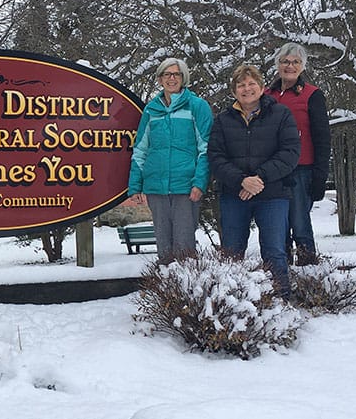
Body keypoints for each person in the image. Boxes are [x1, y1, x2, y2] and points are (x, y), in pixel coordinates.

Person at [208, 64, 300, 299]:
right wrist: (242, 181)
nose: (246, 89)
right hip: (234, 195)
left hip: (273, 194)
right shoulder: (223, 120)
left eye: (251, 84)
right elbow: (216, 158)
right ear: (234, 91)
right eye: (241, 85)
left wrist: (259, 178)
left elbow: (290, 153)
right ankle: (231, 306)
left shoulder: (281, 115)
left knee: (274, 251)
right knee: (232, 253)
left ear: (261, 88)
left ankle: (281, 303)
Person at [128, 58, 213, 264]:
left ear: (183, 78)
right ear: (160, 79)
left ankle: (187, 291)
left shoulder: (197, 106)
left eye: (176, 74)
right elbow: (140, 149)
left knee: (184, 248)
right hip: (156, 187)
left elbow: (206, 149)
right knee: (164, 248)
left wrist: (199, 182)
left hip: (185, 187)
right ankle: (167, 290)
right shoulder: (151, 109)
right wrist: (135, 185)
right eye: (167, 74)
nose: (172, 78)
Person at [265, 42, 331, 265]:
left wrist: (320, 175)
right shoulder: (267, 94)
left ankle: (308, 273)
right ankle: (281, 274)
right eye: (285, 61)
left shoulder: (312, 95)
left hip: (301, 170)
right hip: (273, 171)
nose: (289, 66)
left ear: (302, 66)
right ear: (278, 64)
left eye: (295, 62)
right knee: (278, 226)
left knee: (300, 223)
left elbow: (322, 138)